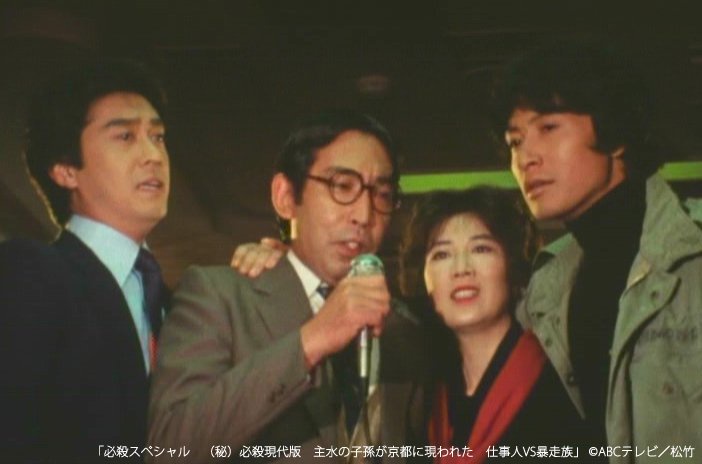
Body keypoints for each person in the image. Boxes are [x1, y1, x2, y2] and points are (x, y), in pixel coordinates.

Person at [148, 110, 428, 462]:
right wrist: (312, 340)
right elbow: (170, 446)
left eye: (383, 195)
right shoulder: (218, 296)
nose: (364, 215)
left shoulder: (403, 331)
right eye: (343, 187)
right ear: (285, 196)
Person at [492, 41, 702, 457]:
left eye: (548, 128)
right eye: (515, 142)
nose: (526, 158)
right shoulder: (545, 287)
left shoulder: (692, 256)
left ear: (615, 135)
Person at [0, 60, 170, 463]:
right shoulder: (29, 273)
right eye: (125, 136)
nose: (154, 155)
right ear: (65, 170)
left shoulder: (172, 300)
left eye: (158, 136)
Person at [398, 187, 587, 462]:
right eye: (442, 254)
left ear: (511, 266)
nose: (461, 268)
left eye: (481, 249)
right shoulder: (421, 396)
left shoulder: (560, 378)